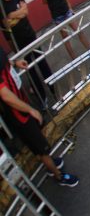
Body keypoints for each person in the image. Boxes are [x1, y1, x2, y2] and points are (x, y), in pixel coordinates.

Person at [0, 48, 79, 187]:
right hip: (19, 115)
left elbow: (4, 61)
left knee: (40, 140)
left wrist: (14, 63)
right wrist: (30, 110)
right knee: (41, 149)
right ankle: (59, 176)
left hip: (22, 104)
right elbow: (5, 95)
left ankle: (49, 162)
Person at [1, 0, 54, 103]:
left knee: (42, 62)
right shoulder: (0, 4)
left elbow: (26, 11)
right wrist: (17, 15)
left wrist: (12, 14)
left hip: (30, 35)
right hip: (18, 43)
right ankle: (43, 98)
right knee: (30, 70)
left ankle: (54, 88)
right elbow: (6, 24)